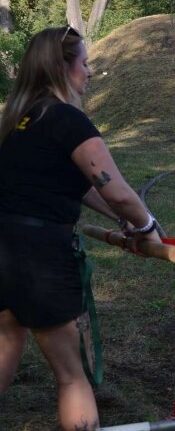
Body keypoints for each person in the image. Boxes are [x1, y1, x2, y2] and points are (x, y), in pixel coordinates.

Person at [0, 26, 163, 430]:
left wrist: (121, 221)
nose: (89, 72)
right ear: (62, 68)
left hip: (4, 245)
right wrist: (146, 225)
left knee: (6, 337)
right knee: (71, 374)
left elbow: (76, 183)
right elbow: (118, 190)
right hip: (40, 257)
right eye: (85, 63)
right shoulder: (67, 119)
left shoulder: (18, 118)